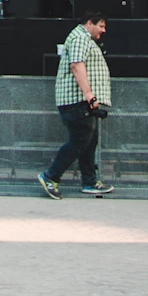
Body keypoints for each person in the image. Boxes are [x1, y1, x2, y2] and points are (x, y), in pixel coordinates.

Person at [37, 10, 114, 198]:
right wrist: (89, 94)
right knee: (80, 140)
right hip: (77, 101)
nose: (103, 30)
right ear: (90, 23)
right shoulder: (80, 38)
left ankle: (89, 181)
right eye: (101, 26)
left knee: (88, 141)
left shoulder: (83, 38)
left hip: (81, 101)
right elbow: (77, 65)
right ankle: (50, 176)